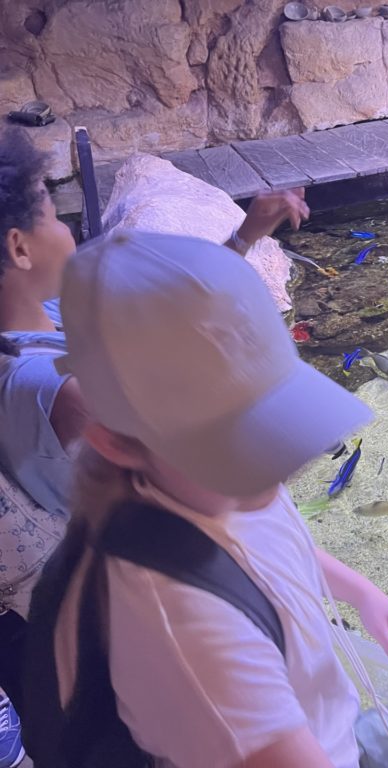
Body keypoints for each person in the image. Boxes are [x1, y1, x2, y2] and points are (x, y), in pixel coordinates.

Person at [25, 231, 388, 768]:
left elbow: (273, 542)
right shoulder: (186, 630)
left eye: (274, 414)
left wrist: (362, 593)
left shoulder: (210, 486)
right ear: (118, 444)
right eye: (238, 439)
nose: (278, 455)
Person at [0, 124, 309, 766]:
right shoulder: (57, 391)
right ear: (19, 247)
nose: (68, 228)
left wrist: (247, 235)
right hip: (108, 620)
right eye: (52, 212)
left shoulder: (43, 323)